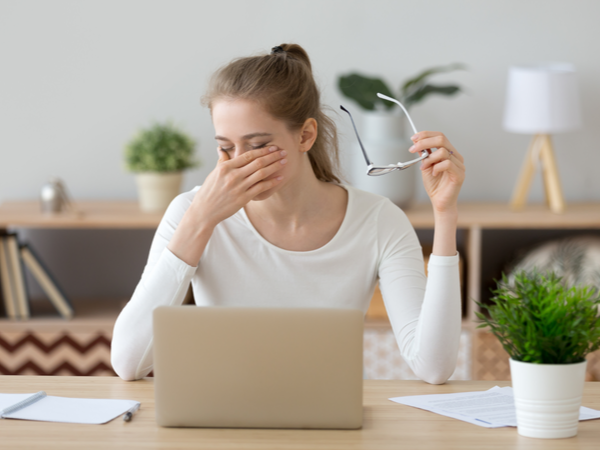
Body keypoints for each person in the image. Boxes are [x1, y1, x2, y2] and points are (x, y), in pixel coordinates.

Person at [111, 44, 466, 384]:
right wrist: (201, 220)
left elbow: (433, 367)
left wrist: (445, 212)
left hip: (332, 426)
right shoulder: (191, 213)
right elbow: (129, 363)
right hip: (222, 422)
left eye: (259, 145)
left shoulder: (378, 220)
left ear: (306, 135)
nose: (240, 163)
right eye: (225, 148)